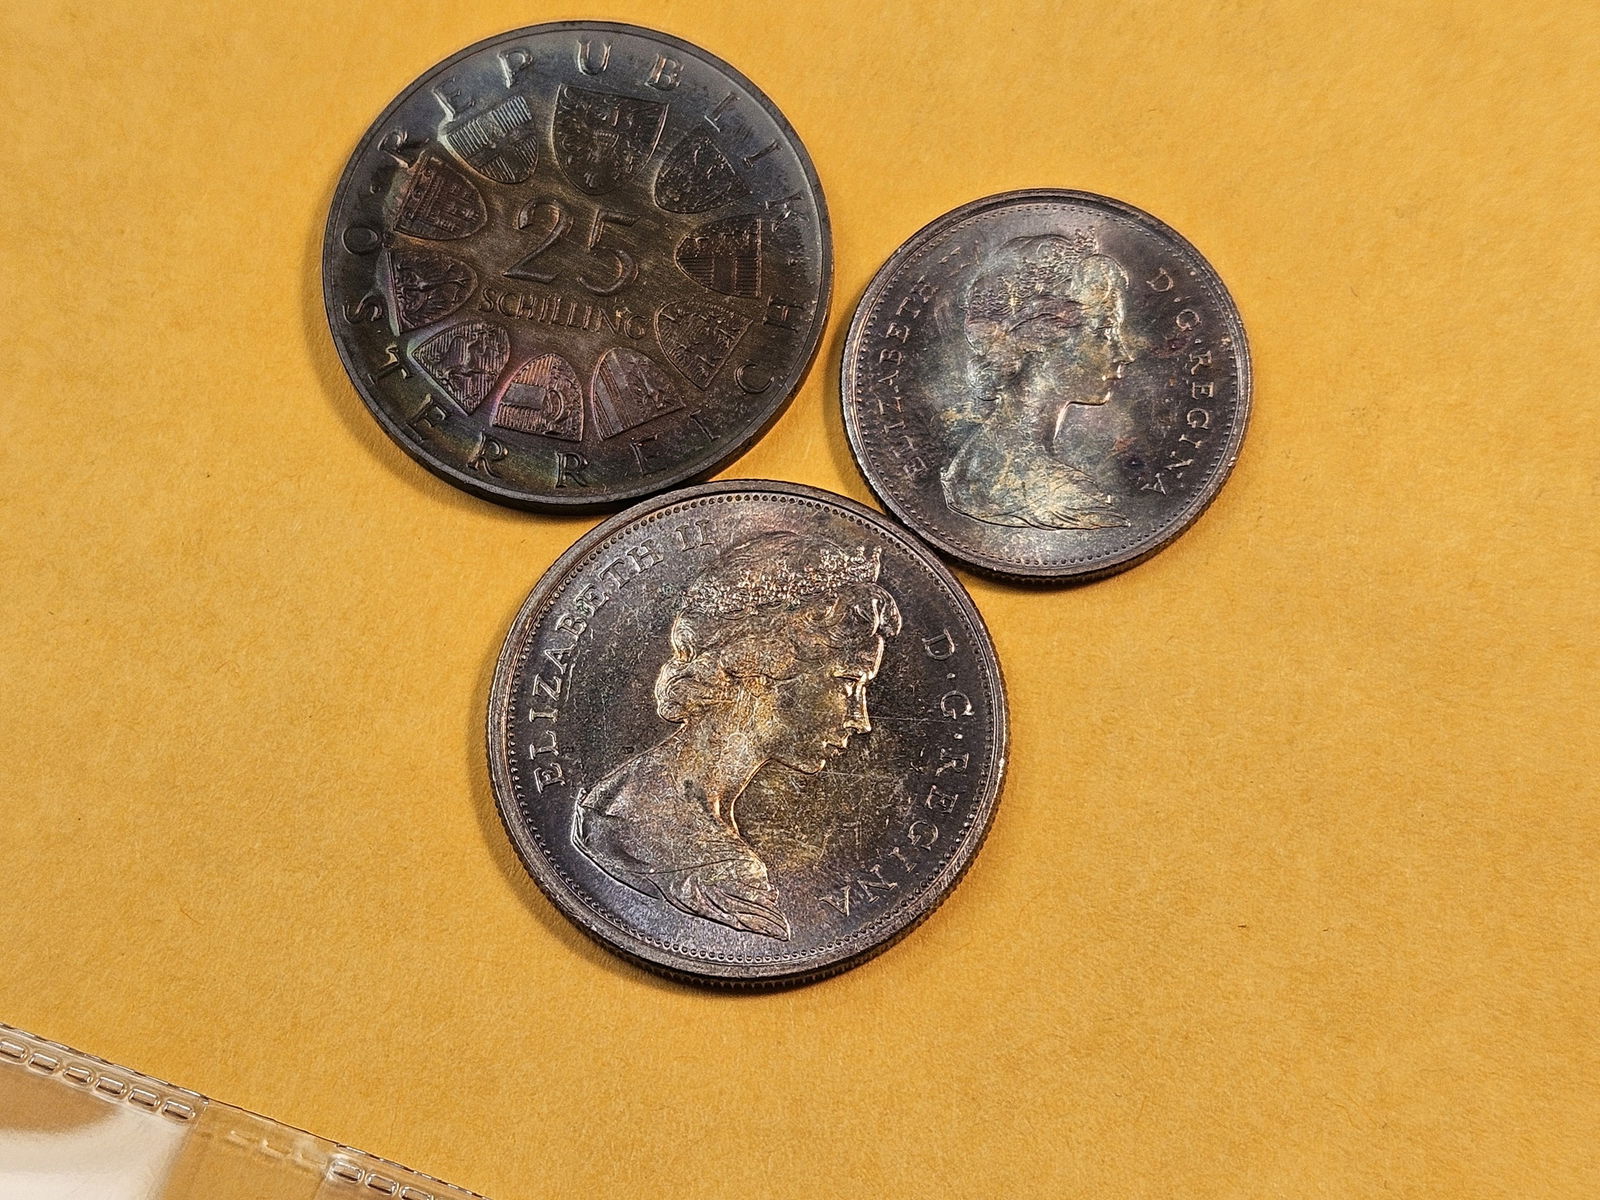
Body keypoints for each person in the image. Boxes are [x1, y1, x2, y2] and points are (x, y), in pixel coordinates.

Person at [572, 531, 902, 940]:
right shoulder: (669, 842)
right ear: (762, 665)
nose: (861, 718)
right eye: (850, 682)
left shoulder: (625, 799)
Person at [940, 231, 1136, 530]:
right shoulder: (1066, 497)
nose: (1124, 354)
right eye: (1105, 331)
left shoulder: (971, 463)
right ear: (1042, 336)